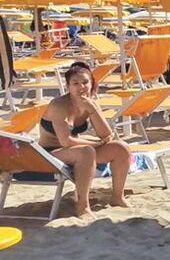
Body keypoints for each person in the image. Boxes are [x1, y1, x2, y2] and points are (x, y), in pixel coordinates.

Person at [38, 62, 133, 219]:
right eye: (75, 83)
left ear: (91, 84)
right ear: (68, 86)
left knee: (121, 148)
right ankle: (82, 206)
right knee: (87, 152)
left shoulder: (90, 103)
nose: (81, 87)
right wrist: (95, 144)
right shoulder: (58, 105)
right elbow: (66, 141)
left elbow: (107, 135)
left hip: (74, 150)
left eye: (85, 82)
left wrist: (92, 109)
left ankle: (117, 197)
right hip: (50, 152)